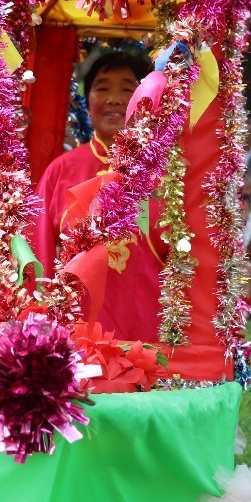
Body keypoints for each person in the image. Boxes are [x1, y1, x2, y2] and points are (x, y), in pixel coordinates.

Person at [32, 51, 166, 341]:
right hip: (76, 336)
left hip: (150, 334)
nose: (114, 99)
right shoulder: (61, 171)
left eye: (128, 89)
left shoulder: (166, 175)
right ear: (88, 102)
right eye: (102, 88)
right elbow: (39, 251)